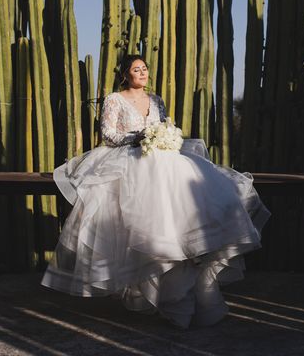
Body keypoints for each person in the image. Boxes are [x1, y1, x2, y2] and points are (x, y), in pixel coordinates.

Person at [41, 54, 270, 328]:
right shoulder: (114, 99)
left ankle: (186, 281)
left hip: (162, 157)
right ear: (125, 74)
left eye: (144, 69)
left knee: (189, 204)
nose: (142, 73)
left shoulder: (156, 100)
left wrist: (162, 136)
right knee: (146, 224)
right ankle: (160, 290)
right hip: (129, 160)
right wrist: (137, 138)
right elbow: (108, 133)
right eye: (136, 69)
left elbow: (163, 126)